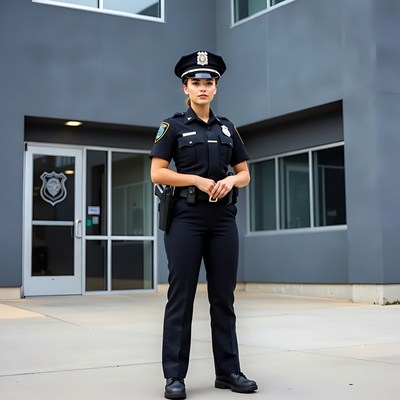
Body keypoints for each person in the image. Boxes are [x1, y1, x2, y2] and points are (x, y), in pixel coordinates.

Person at [150, 50, 258, 400]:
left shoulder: (228, 128)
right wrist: (195, 181)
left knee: (223, 298)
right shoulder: (173, 126)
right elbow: (157, 172)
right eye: (195, 82)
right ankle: (174, 377)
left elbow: (245, 174)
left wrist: (231, 182)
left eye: (208, 83)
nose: (202, 88)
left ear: (216, 88)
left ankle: (228, 372)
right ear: (185, 87)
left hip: (223, 219)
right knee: (180, 297)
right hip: (186, 219)